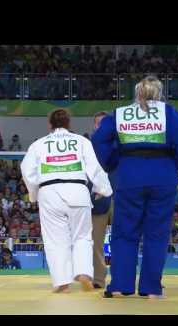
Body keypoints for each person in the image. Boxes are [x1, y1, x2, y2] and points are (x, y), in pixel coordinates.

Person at [92, 76, 178, 299]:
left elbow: (99, 139)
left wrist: (111, 163)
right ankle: (151, 289)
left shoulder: (120, 113)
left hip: (129, 174)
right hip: (162, 174)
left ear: (137, 93)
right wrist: (173, 164)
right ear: (158, 94)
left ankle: (120, 285)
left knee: (124, 232)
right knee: (156, 234)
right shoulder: (169, 113)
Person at [21, 109, 112, 293]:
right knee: (83, 236)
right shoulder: (81, 141)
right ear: (69, 124)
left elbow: (27, 170)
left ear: (50, 125)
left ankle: (62, 282)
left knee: (56, 239)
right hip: (78, 190)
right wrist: (103, 189)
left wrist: (34, 193)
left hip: (49, 192)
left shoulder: (39, 144)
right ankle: (84, 273)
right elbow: (95, 168)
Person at [90, 111, 113, 289]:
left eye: (104, 123)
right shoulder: (87, 147)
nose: (100, 126)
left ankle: (124, 278)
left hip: (121, 197)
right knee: (96, 241)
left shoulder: (121, 143)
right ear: (94, 126)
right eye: (98, 123)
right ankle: (98, 279)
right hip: (98, 198)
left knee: (126, 239)